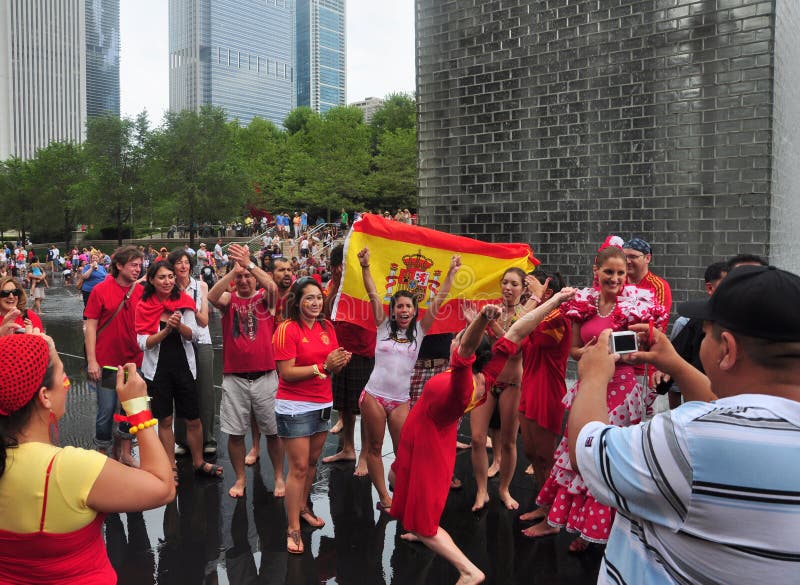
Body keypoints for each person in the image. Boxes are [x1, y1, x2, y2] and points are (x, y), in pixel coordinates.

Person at [569, 264, 800, 584]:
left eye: (705, 334)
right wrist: (676, 364)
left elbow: (587, 447)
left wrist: (593, 376)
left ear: (728, 349)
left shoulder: (689, 439)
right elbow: (728, 412)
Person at [391, 287, 577, 585]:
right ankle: (419, 525)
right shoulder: (487, 375)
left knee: (425, 524)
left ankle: (467, 569)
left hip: (428, 444)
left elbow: (465, 348)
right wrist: (554, 300)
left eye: (458, 340)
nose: (455, 340)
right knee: (397, 477)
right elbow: (517, 331)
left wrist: (480, 319)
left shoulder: (460, 382)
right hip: (425, 437)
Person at [524, 239, 667, 551]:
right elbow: (574, 351)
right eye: (609, 272)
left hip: (622, 390)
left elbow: (648, 348)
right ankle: (566, 522)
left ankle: (599, 530)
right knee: (575, 451)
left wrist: (624, 354)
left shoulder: (637, 306)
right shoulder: (583, 306)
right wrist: (590, 351)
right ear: (596, 271)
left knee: (604, 454)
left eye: (620, 274)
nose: (615, 279)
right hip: (590, 387)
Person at [0, 334, 174, 584]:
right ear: (44, 396)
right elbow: (163, 487)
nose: (67, 382)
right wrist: (137, 408)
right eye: (62, 375)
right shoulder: (71, 469)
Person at [358, 248, 460, 513]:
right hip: (373, 396)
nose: (403, 310)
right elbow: (371, 293)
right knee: (375, 447)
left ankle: (400, 490)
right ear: (392, 311)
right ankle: (384, 495)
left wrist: (450, 273)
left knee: (405, 450)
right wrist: (366, 267)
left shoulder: (420, 330)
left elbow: (439, 299)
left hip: (401, 400)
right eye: (399, 306)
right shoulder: (382, 325)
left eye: (408, 306)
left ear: (415, 311)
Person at [272, 277, 352, 554]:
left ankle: (303, 506)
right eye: (309, 298)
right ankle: (292, 528)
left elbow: (332, 366)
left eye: (319, 297)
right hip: (294, 407)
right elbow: (287, 373)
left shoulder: (327, 327)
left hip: (322, 403)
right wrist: (323, 366)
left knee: (313, 462)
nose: (316, 302)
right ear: (297, 301)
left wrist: (339, 363)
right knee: (299, 468)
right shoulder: (287, 329)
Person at [208, 244, 285, 499]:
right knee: (235, 434)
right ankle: (240, 478)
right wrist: (233, 271)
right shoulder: (229, 299)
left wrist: (249, 263)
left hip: (265, 376)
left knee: (273, 432)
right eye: (239, 277)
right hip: (234, 378)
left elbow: (273, 287)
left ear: (255, 277)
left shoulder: (265, 298)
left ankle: (278, 477)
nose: (243, 280)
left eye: (247, 276)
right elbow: (211, 296)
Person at [135, 260, 222, 483]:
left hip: (184, 368)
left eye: (170, 277)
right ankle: (170, 467)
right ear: (152, 280)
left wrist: (179, 325)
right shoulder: (143, 305)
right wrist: (166, 331)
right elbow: (144, 343)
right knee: (165, 420)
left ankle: (199, 461)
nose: (167, 281)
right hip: (158, 371)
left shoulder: (183, 301)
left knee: (193, 419)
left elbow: (193, 334)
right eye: (162, 277)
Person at [470, 267, 546, 511]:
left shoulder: (526, 315)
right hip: (487, 381)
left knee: (509, 442)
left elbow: (514, 345)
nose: (507, 288)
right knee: (477, 438)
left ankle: (503, 488)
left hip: (512, 384)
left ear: (523, 288)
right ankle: (482, 490)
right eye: (505, 283)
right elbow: (476, 343)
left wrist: (490, 322)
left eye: (514, 284)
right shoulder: (492, 311)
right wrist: (477, 322)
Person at [516, 269, 573, 534]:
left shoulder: (560, 319)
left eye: (531, 287)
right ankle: (544, 503)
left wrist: (538, 300)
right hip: (529, 386)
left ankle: (553, 519)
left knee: (546, 457)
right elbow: (515, 335)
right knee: (531, 453)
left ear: (548, 291)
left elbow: (535, 335)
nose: (527, 292)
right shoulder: (537, 315)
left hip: (548, 390)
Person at [84, 245, 144, 467]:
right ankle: (103, 451)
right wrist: (92, 361)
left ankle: (126, 450)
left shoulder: (140, 291)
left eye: (140, 265)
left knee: (130, 408)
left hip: (133, 362)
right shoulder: (100, 290)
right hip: (107, 362)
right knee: (106, 410)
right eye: (133, 265)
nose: (138, 269)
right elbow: (90, 326)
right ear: (119, 265)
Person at [321, 244, 375, 476]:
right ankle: (348, 449)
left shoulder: (363, 282)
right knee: (344, 406)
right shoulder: (333, 286)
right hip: (338, 350)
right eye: (338, 266)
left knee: (362, 406)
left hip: (362, 351)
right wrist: (335, 287)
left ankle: (363, 456)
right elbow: (325, 312)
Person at [243, 255, 294, 466]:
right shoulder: (262, 296)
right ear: (270, 275)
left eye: (290, 269)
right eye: (281, 270)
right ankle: (255, 446)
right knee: (257, 407)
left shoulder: (298, 296)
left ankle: (291, 445)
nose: (287, 274)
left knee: (290, 405)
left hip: (291, 359)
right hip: (267, 359)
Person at [169, 250, 217, 458]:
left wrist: (187, 303)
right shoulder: (167, 287)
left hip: (201, 341)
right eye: (178, 263)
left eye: (186, 262)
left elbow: (204, 321)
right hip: (177, 342)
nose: (183, 266)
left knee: (205, 391)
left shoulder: (201, 286)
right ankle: (182, 439)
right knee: (180, 391)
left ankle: (208, 438)